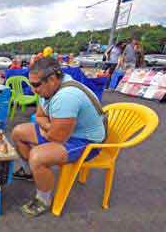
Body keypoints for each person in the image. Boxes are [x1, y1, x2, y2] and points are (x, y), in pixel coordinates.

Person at [11, 57, 105, 217]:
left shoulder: (66, 96)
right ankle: (31, 173)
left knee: (37, 156)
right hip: (64, 131)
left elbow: (56, 138)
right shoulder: (48, 88)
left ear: (53, 79)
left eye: (36, 85)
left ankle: (43, 199)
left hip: (86, 141)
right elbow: (39, 116)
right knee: (18, 132)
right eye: (31, 84)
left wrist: (49, 130)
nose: (33, 90)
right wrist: (49, 127)